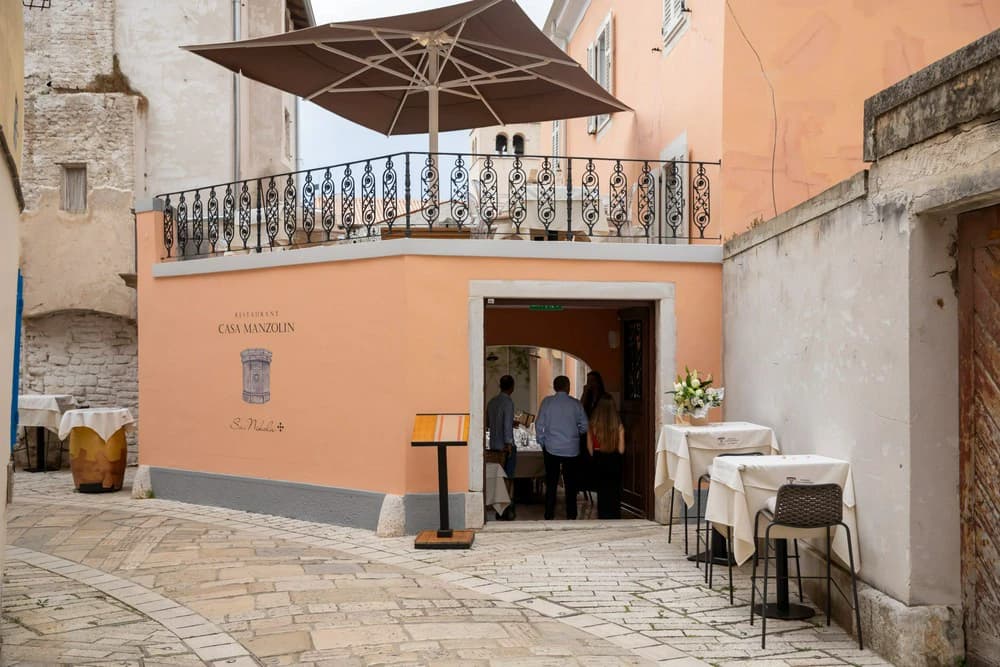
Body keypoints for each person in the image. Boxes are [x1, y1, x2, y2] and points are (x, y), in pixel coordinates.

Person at [536, 375, 588, 520]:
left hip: (551, 447)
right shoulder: (576, 404)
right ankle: (571, 514)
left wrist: (542, 442)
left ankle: (549, 514)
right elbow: (585, 426)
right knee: (571, 484)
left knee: (551, 482)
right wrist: (575, 432)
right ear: (568, 387)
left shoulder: (547, 402)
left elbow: (539, 424)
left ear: (554, 387)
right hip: (571, 449)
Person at [587, 395, 625, 519]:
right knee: (614, 493)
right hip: (614, 461)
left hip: (599, 460)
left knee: (602, 493)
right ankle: (614, 516)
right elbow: (621, 449)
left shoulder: (592, 426)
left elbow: (590, 449)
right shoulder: (619, 427)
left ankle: (602, 515)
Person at [486, 375, 516, 519]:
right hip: (504, 446)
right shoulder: (508, 403)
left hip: (493, 445)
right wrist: (509, 443)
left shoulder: (492, 402)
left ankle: (499, 507)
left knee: (497, 477)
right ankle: (505, 509)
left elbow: (487, 423)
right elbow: (507, 425)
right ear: (512, 387)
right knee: (508, 478)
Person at [579, 371, 610, 499]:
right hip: (588, 435)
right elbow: (580, 410)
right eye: (588, 381)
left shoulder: (604, 397)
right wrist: (585, 393)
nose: (590, 384)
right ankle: (586, 485)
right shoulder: (588, 397)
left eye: (592, 381)